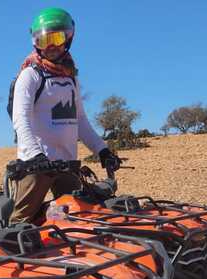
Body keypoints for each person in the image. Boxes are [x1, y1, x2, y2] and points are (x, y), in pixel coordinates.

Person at [10, 7, 122, 223]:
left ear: (68, 39)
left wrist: (102, 150)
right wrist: (35, 156)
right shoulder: (30, 75)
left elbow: (80, 121)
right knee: (20, 222)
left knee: (78, 217)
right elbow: (20, 119)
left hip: (67, 164)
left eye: (56, 38)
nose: (50, 46)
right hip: (37, 166)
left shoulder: (71, 78)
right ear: (35, 42)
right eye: (44, 40)